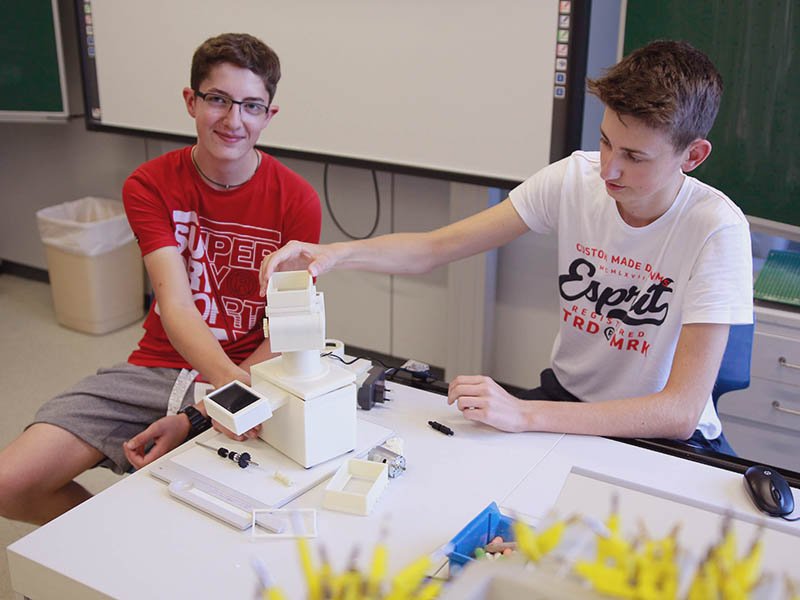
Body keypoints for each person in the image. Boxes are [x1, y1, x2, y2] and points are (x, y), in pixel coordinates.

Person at [258, 41, 752, 453]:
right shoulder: (574, 179)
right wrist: (336, 254)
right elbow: (435, 248)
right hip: (565, 398)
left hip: (654, 433)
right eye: (605, 143)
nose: (609, 170)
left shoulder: (715, 229)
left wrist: (524, 413)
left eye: (634, 157)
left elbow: (681, 411)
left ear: (693, 155)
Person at [0, 33, 321, 525]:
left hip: (258, 373)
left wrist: (222, 403)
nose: (235, 121)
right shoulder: (150, 184)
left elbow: (286, 330)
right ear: (192, 101)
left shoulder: (297, 200)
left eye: (252, 106)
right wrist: (226, 388)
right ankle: (102, 539)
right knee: (9, 483)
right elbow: (176, 304)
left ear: (268, 116)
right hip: (159, 368)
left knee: (227, 513)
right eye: (218, 100)